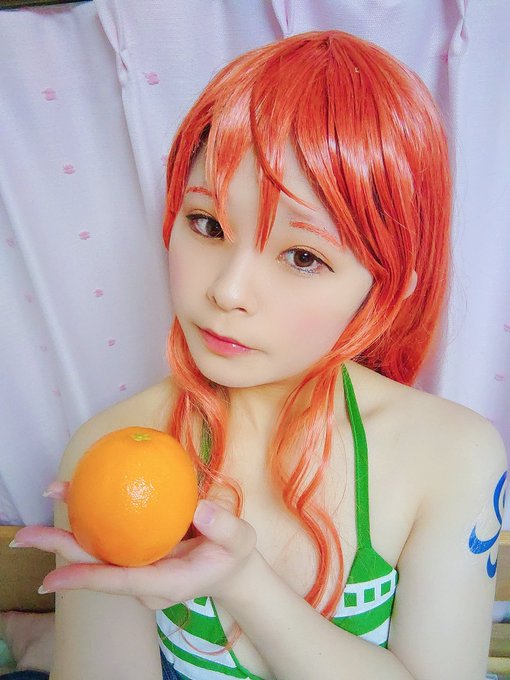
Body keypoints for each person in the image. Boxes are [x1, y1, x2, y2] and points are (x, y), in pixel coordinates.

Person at [11, 30, 507, 680]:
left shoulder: (453, 456)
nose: (228, 290)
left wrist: (243, 582)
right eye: (207, 224)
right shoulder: (108, 454)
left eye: (302, 256)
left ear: (387, 286)